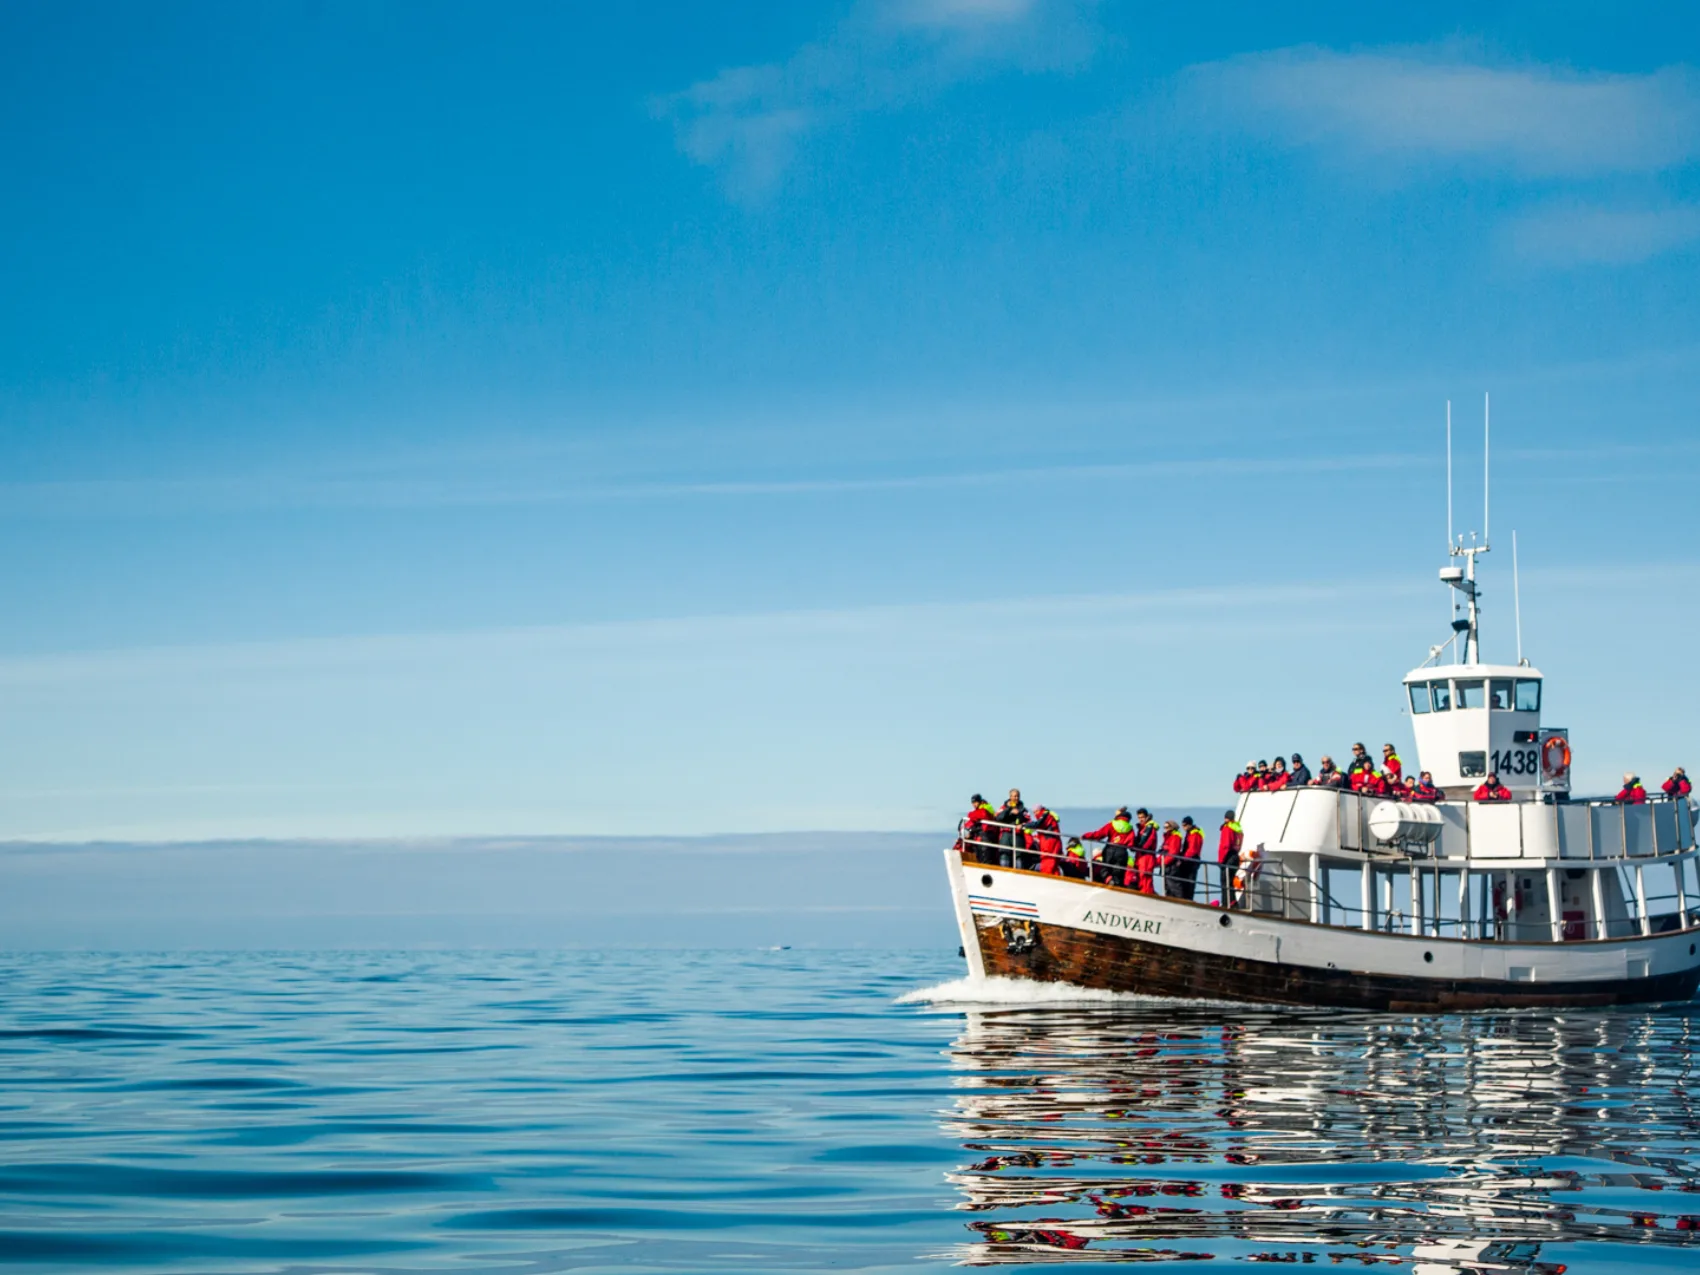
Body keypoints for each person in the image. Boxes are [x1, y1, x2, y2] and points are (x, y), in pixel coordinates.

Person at [1081, 807, 1137, 885]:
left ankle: (1108, 879)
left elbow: (1099, 834)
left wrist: (1086, 836)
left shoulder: (1112, 824)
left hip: (1110, 850)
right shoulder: (1130, 829)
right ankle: (1116, 886)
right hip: (1121, 852)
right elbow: (1131, 845)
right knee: (1118, 873)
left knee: (1104, 868)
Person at [1173, 816, 1205, 901]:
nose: (1184, 827)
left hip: (1191, 861)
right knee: (1185, 881)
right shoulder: (1190, 833)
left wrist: (1183, 858)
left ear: (1189, 824)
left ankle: (1188, 899)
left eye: (1185, 825)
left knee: (1189, 882)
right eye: (1183, 825)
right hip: (1187, 860)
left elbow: (1192, 849)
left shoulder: (1194, 834)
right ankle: (1185, 898)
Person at [994, 789, 1028, 866]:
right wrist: (1008, 810)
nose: (1015, 798)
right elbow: (998, 818)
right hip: (1006, 834)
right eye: (1013, 796)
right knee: (1004, 854)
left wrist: (1019, 814)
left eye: (1017, 796)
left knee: (1019, 856)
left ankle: (1019, 874)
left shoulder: (1023, 809)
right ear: (1010, 797)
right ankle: (1004, 872)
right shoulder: (1003, 807)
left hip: (1018, 835)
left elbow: (1027, 820)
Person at [960, 794, 996, 862]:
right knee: (979, 856)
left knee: (985, 857)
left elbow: (982, 814)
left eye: (976, 802)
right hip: (980, 837)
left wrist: (970, 814)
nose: (974, 804)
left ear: (980, 801)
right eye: (973, 803)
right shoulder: (979, 810)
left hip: (986, 837)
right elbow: (971, 822)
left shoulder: (986, 808)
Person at [1217, 810, 1243, 905]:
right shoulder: (1237, 828)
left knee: (1225, 882)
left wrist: (1221, 861)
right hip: (1235, 856)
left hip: (1228, 857)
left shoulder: (1227, 828)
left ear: (1226, 818)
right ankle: (1232, 902)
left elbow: (1225, 846)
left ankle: (1226, 903)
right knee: (1230, 881)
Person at [1130, 809, 1160, 890]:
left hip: (1146, 857)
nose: (1140, 819)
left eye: (1142, 817)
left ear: (1147, 817)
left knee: (1145, 880)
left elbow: (1146, 844)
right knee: (1139, 878)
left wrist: (1136, 847)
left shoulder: (1150, 829)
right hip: (1140, 857)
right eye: (1139, 817)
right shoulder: (1142, 829)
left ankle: (1147, 897)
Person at [1027, 805, 1061, 873]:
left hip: (1049, 846)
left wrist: (1024, 825)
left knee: (1048, 863)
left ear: (1040, 810)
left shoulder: (1046, 816)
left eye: (1036, 811)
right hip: (1049, 844)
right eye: (1034, 812)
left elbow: (1037, 824)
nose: (1035, 814)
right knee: (1052, 866)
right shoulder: (1046, 817)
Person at [1153, 821, 1181, 896]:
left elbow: (1173, 853)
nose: (1165, 829)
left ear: (1172, 828)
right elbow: (1163, 852)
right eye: (1164, 827)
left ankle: (1179, 902)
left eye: (1167, 827)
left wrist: (1164, 862)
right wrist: (1155, 863)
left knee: (1173, 886)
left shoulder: (1175, 837)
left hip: (1171, 866)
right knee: (1167, 886)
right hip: (1166, 865)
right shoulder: (1167, 837)